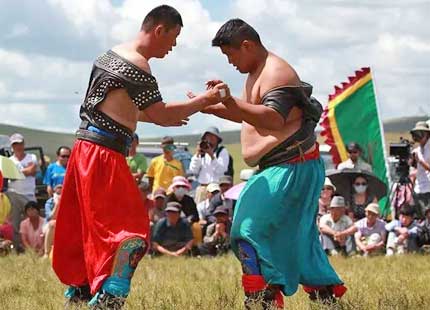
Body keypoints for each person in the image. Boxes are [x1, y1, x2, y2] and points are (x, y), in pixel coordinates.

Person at [52, 5, 228, 308]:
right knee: (130, 229)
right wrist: (205, 100)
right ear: (159, 30)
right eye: (172, 39)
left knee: (89, 226)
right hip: (104, 154)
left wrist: (166, 116)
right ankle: (111, 296)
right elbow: (159, 114)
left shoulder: (109, 56)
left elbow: (120, 108)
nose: (172, 47)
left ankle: (80, 290)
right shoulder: (138, 66)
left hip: (86, 149)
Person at [200, 19, 346, 307]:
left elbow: (272, 118)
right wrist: (208, 105)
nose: (230, 62)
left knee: (246, 230)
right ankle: (324, 297)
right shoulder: (256, 72)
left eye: (231, 54)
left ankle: (262, 297)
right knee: (296, 237)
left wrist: (228, 101)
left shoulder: (277, 73)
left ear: (247, 45)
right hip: (286, 167)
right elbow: (249, 114)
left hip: (293, 167)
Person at [6, 133, 38, 253]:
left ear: (23, 144)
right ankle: (15, 248)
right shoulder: (9, 160)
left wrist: (16, 172)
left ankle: (31, 248)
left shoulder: (32, 157)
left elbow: (32, 170)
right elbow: (8, 175)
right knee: (14, 223)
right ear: (12, 146)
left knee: (31, 221)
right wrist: (24, 171)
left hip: (28, 194)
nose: (17, 146)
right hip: (13, 194)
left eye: (19, 143)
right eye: (15, 144)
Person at [189, 127, 231, 203]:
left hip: (215, 188)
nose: (210, 139)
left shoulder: (222, 151)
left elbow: (221, 170)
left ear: (217, 139)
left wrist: (211, 155)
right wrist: (198, 154)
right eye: (207, 137)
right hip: (202, 188)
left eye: (212, 136)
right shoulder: (202, 153)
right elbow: (193, 170)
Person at [410, 121, 430, 219]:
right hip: (418, 189)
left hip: (428, 188)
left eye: (420, 133)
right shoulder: (416, 150)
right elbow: (415, 171)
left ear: (426, 134)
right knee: (420, 218)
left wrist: (420, 161)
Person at [43, 184, 62, 258]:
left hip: (63, 224)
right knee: (52, 224)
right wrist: (57, 204)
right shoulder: (49, 202)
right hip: (48, 226)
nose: (59, 193)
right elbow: (51, 218)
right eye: (58, 192)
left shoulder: (68, 201)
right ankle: (46, 253)